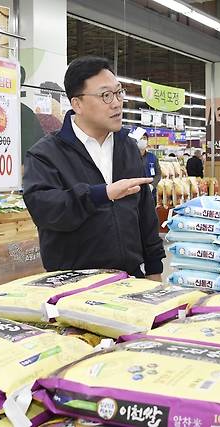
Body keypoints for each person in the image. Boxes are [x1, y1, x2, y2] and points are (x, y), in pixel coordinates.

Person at [22, 56, 164, 280]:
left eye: (118, 93)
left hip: (129, 279)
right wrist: (102, 194)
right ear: (77, 104)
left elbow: (145, 214)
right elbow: (45, 211)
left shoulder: (127, 147)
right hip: (72, 282)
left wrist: (154, 268)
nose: (117, 103)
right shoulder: (46, 154)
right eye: (106, 95)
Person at [137, 134, 161, 203]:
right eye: (140, 138)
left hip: (151, 194)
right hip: (136, 194)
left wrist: (152, 185)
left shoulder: (152, 157)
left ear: (147, 141)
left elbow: (158, 174)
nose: (142, 140)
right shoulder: (131, 157)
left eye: (144, 138)